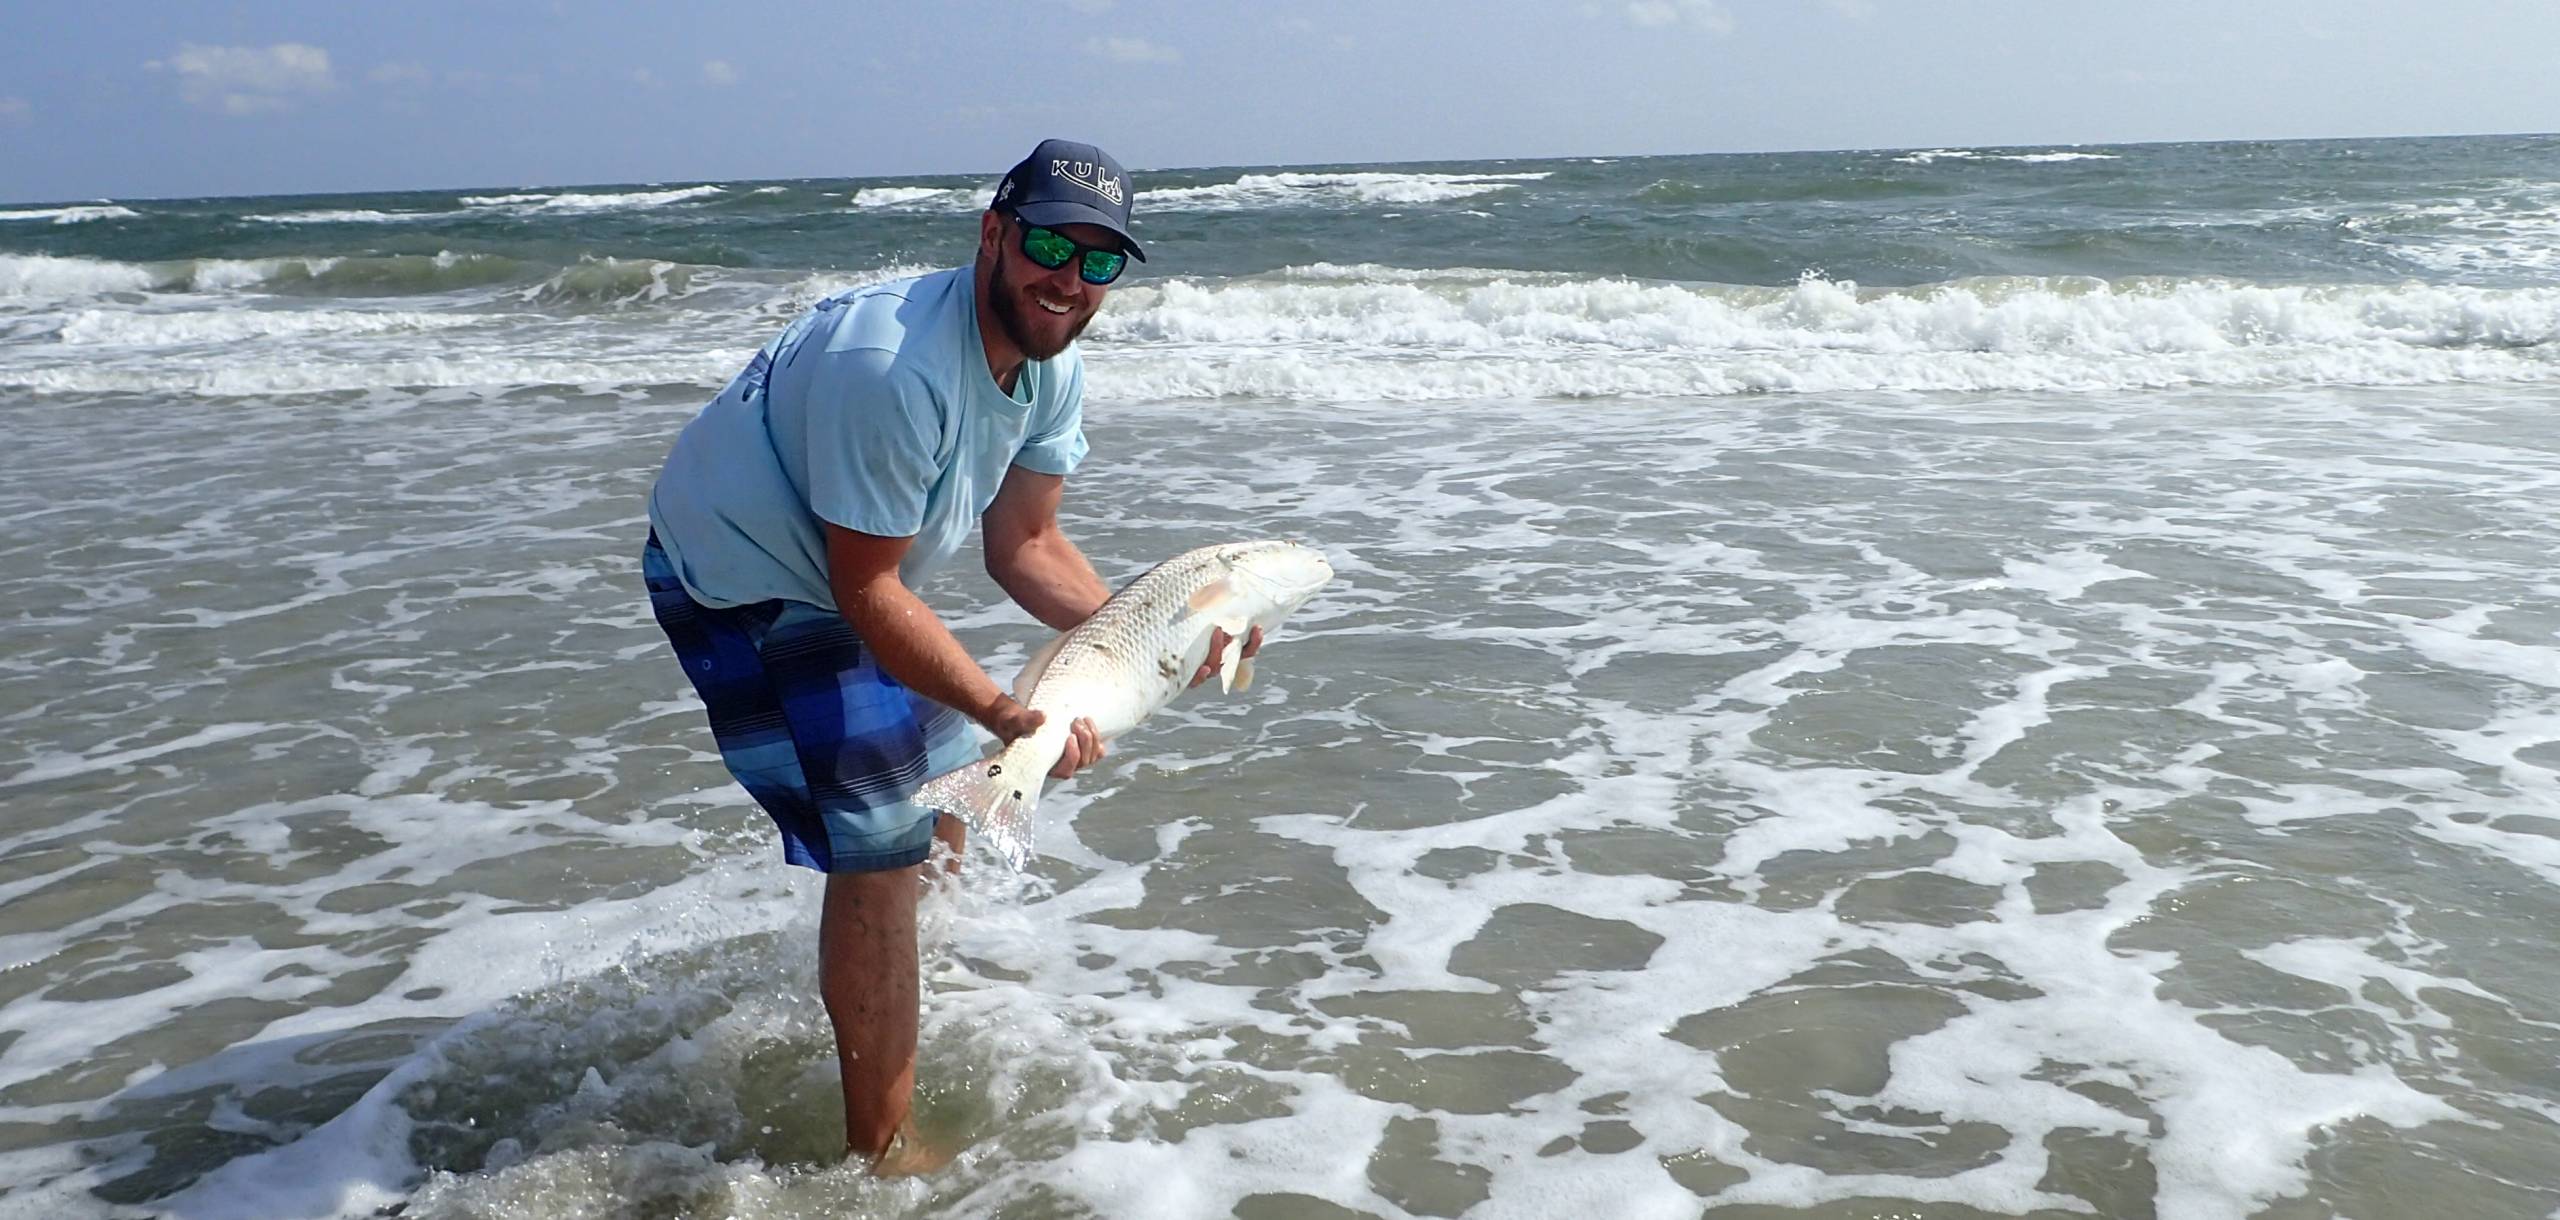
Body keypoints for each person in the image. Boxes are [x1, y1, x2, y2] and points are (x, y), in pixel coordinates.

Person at [639, 138, 1256, 1171]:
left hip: (840, 571)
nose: (1067, 279)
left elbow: (1026, 545)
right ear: (993, 234)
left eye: (1098, 261)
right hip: (737, 575)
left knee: (949, 795)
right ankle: (878, 1151)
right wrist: (1010, 711)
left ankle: (896, 971)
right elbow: (866, 591)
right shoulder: (891, 370)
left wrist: (1152, 637)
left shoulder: (1050, 360)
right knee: (882, 844)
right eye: (1049, 244)